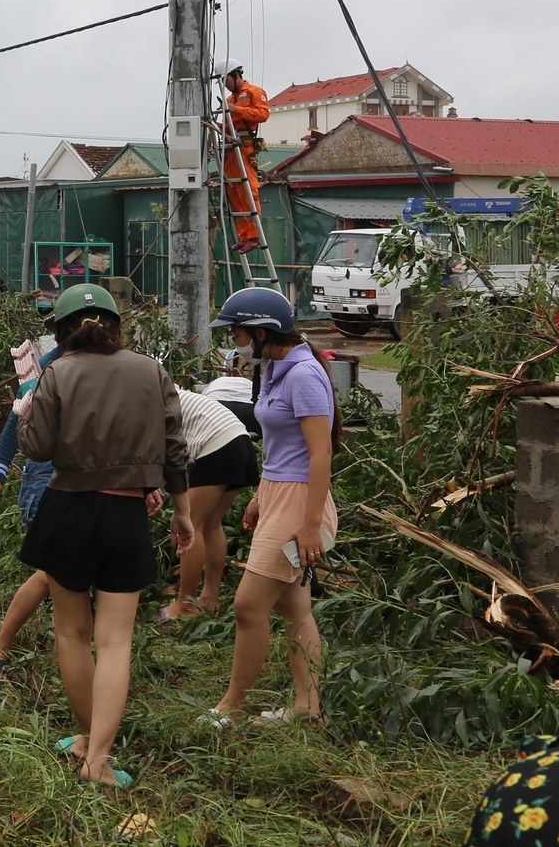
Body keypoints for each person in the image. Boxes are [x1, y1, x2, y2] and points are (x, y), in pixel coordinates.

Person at [18, 283, 194, 790]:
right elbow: (175, 449)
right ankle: (98, 760)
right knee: (115, 641)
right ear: (117, 327)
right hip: (126, 514)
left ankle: (84, 738)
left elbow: (38, 449)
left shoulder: (57, 373)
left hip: (67, 509)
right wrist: (181, 512)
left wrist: (25, 408)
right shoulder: (151, 371)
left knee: (71, 634)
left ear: (62, 332)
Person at [207, 287, 338, 726]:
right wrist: (261, 497)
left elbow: (320, 454)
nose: (237, 341)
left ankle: (232, 707)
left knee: (248, 606)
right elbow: (281, 447)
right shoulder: (278, 367)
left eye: (240, 333)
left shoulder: (304, 375)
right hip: (280, 495)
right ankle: (306, 711)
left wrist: (308, 525)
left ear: (263, 331)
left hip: (302, 502)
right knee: (294, 608)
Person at [0, 336, 62, 677]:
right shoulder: (48, 370)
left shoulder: (110, 366)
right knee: (56, 573)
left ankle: (58, 656)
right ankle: (11, 649)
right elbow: (17, 419)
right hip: (48, 476)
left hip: (93, 482)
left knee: (59, 574)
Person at [158, 385, 258, 621]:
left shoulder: (138, 399)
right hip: (238, 440)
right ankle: (210, 598)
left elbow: (162, 454)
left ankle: (186, 605)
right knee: (211, 524)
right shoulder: (155, 387)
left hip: (215, 443)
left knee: (191, 524)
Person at [218, 60, 270, 253]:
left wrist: (236, 110)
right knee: (235, 193)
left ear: (236, 75)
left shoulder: (255, 92)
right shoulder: (230, 100)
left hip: (245, 147)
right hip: (230, 148)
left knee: (249, 191)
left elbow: (263, 114)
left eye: (226, 80)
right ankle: (244, 235)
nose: (225, 85)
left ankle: (254, 236)